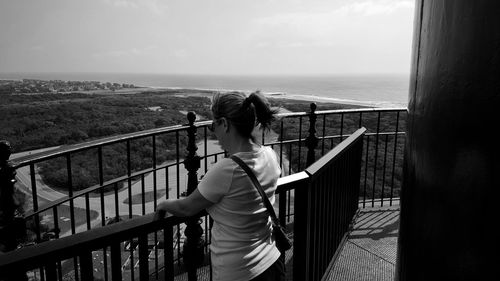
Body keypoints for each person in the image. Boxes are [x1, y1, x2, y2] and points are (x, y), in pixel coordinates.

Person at [155, 91, 285, 281]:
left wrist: (163, 204)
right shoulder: (270, 155)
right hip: (272, 261)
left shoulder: (227, 169)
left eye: (212, 125)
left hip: (238, 271)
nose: (213, 130)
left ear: (224, 124)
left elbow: (186, 207)